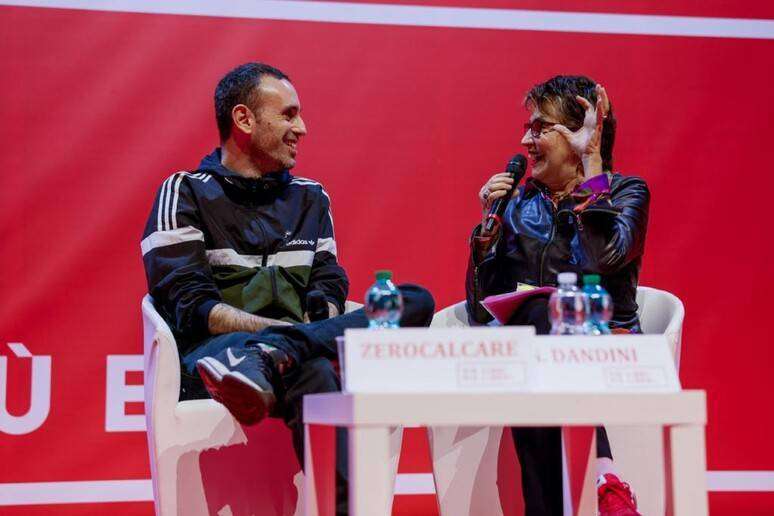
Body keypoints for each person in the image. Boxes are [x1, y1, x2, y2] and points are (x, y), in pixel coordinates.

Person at [140, 62, 434, 514]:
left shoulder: (310, 197)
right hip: (218, 357)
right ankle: (283, 351)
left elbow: (329, 285)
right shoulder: (184, 191)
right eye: (289, 114)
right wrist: (284, 335)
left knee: (413, 300)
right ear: (244, 120)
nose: (303, 128)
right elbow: (191, 306)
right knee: (312, 368)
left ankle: (284, 351)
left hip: (296, 350)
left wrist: (306, 332)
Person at [466, 75, 648, 515]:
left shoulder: (626, 192)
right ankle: (604, 478)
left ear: (579, 135)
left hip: (607, 348)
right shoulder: (517, 203)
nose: (524, 141)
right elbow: (481, 310)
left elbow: (606, 257)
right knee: (536, 330)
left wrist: (592, 166)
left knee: (542, 326)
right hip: (533, 355)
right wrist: (485, 241)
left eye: (539, 128)